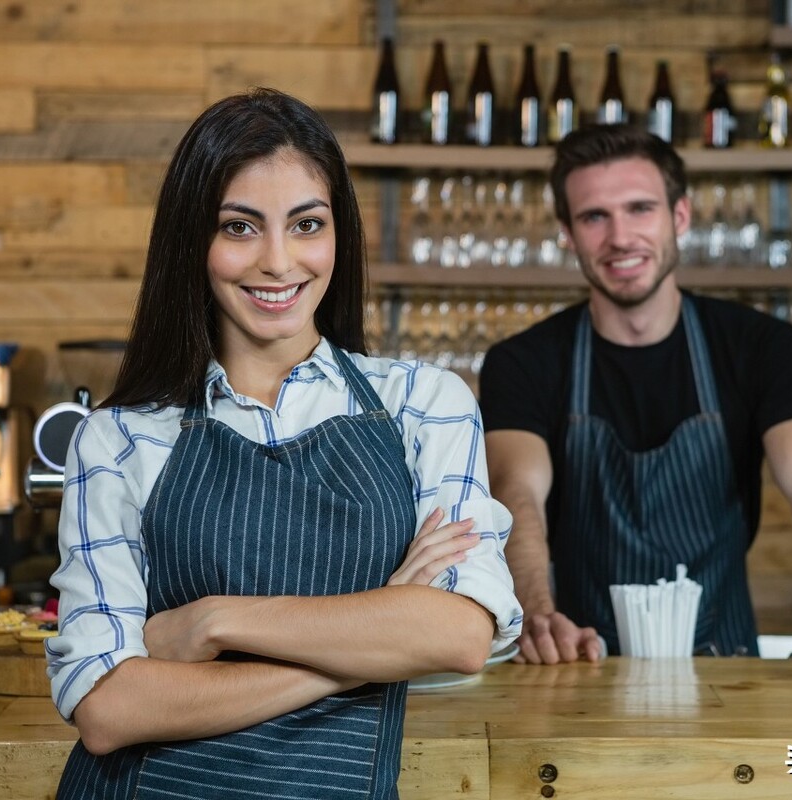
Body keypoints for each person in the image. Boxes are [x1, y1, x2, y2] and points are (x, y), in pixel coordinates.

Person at [47, 89, 522, 799]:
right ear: (193, 244)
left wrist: (214, 621)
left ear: (339, 236)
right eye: (239, 228)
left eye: (307, 224)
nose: (277, 261)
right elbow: (109, 710)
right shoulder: (117, 439)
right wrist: (379, 629)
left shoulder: (423, 404)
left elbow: (456, 636)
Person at [478, 124, 792, 666]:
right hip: (577, 663)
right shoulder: (523, 362)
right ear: (567, 232)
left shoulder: (762, 347)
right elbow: (517, 492)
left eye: (640, 209)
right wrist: (535, 616)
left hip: (728, 663)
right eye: (594, 217)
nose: (620, 237)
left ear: (680, 216)